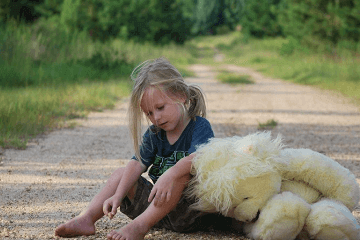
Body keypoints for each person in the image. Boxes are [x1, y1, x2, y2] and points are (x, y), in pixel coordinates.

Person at [55, 57, 231, 240]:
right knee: (121, 174)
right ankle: (86, 219)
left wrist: (170, 174)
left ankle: (139, 227)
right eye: (149, 113)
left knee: (181, 174)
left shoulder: (199, 126)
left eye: (160, 108)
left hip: (190, 213)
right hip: (158, 211)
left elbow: (200, 157)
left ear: (181, 95)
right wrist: (119, 194)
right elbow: (137, 163)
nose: (156, 118)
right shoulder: (155, 133)